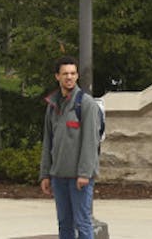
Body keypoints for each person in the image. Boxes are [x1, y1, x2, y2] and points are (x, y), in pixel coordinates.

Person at [38, 56, 102, 239]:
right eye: (65, 73)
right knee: (64, 224)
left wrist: (84, 173)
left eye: (73, 73)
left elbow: (91, 142)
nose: (69, 77)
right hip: (58, 177)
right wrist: (45, 174)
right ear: (57, 76)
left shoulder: (86, 104)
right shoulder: (52, 106)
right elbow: (47, 142)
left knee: (82, 223)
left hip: (79, 178)